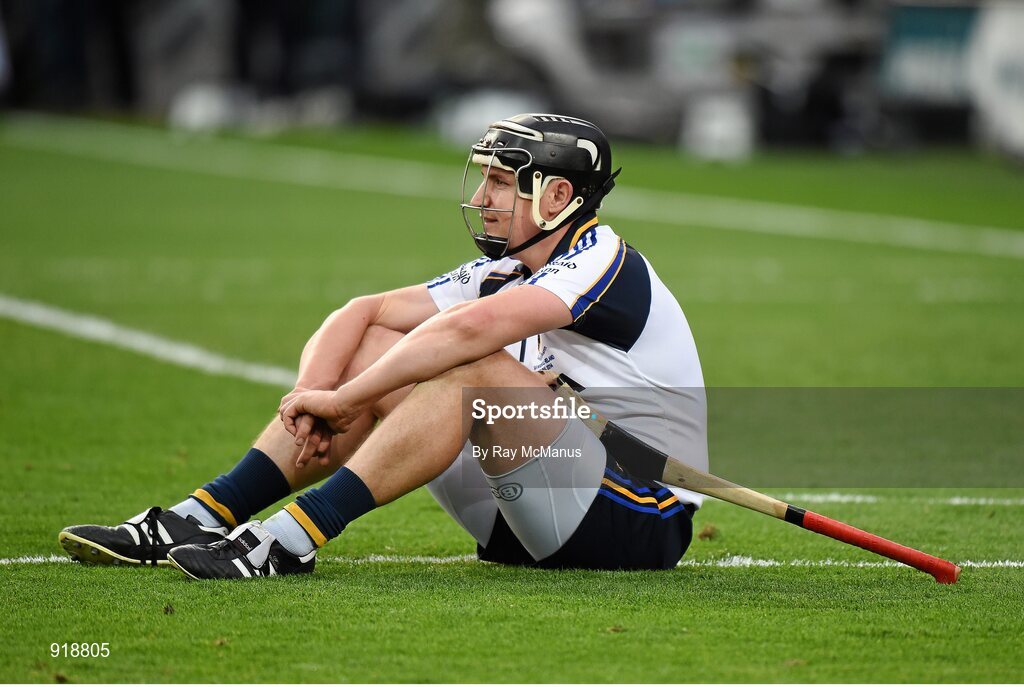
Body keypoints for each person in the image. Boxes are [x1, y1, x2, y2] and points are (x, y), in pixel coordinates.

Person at [59, 113, 708, 579]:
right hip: (536, 508)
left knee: (471, 369)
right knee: (374, 344)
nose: (481, 198)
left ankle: (290, 538)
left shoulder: (603, 261)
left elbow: (466, 335)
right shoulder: (502, 270)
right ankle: (203, 513)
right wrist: (310, 401)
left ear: (558, 195)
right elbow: (360, 313)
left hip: (638, 515)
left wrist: (346, 400)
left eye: (502, 182)